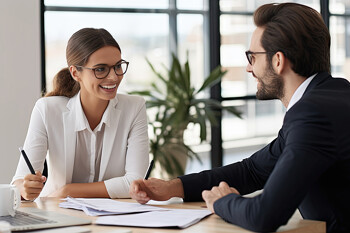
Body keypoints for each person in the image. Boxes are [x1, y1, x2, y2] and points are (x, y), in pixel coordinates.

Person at [130, 3, 350, 232]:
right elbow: (253, 171)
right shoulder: (334, 95)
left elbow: (264, 215)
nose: (247, 68)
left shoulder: (312, 115)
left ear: (278, 60)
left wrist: (222, 202)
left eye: (252, 57)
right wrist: (173, 187)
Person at [12, 28, 149, 200]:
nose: (114, 77)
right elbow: (19, 182)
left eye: (117, 66)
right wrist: (25, 189)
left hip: (111, 219)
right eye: (101, 69)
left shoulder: (134, 108)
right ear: (76, 73)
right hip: (57, 212)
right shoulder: (47, 110)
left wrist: (68, 191)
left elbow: (135, 182)